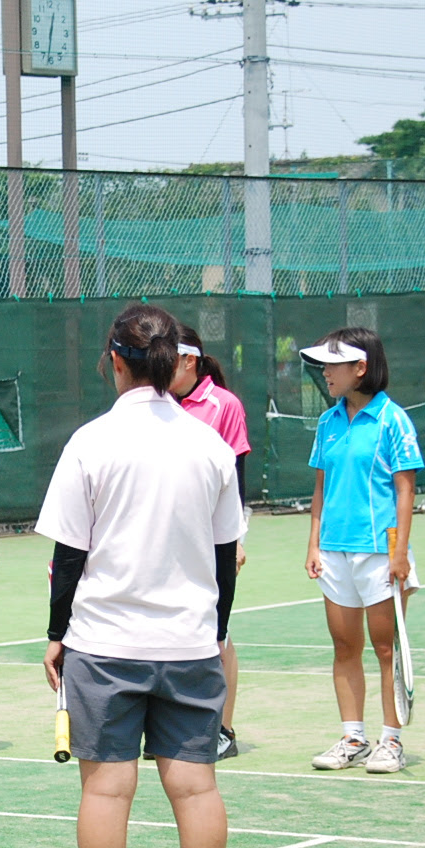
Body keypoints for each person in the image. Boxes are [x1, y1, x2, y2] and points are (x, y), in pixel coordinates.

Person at [36, 303, 243, 848]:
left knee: (104, 791)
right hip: (188, 644)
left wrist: (56, 634)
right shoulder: (210, 446)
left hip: (104, 642)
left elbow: (69, 555)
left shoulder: (90, 443)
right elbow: (223, 558)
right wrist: (213, 632)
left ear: (116, 361)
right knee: (197, 787)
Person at [300, 328, 423, 775]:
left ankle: (391, 739)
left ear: (360, 367)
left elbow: (405, 490)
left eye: (333, 365)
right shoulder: (328, 422)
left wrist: (400, 553)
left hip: (380, 551)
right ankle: (354, 736)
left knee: (385, 647)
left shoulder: (393, 420)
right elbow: (321, 487)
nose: (325, 373)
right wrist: (314, 544)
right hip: (334, 551)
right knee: (344, 645)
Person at [169, 324, 250, 758]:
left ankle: (224, 730)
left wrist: (234, 537)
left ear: (189, 360)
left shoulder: (224, 404)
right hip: (170, 537)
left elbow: (236, 477)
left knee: (218, 631)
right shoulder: (159, 404)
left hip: (217, 535)